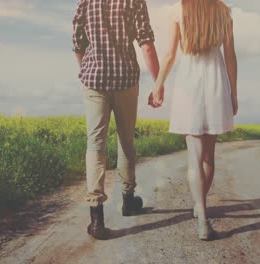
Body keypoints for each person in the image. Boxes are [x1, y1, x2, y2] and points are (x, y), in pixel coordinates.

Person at [149, 0, 238, 240]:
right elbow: (230, 55)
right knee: (209, 157)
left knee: (194, 157)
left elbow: (169, 55)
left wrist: (157, 86)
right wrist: (233, 92)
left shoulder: (178, 9)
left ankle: (202, 217)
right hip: (216, 84)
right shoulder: (223, 11)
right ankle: (200, 208)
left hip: (189, 86)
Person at [72, 0, 161, 239]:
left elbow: (77, 43)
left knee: (95, 144)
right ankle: (128, 200)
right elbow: (147, 45)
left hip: (93, 80)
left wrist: (87, 72)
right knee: (126, 140)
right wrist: (158, 82)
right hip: (126, 79)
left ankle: (96, 218)